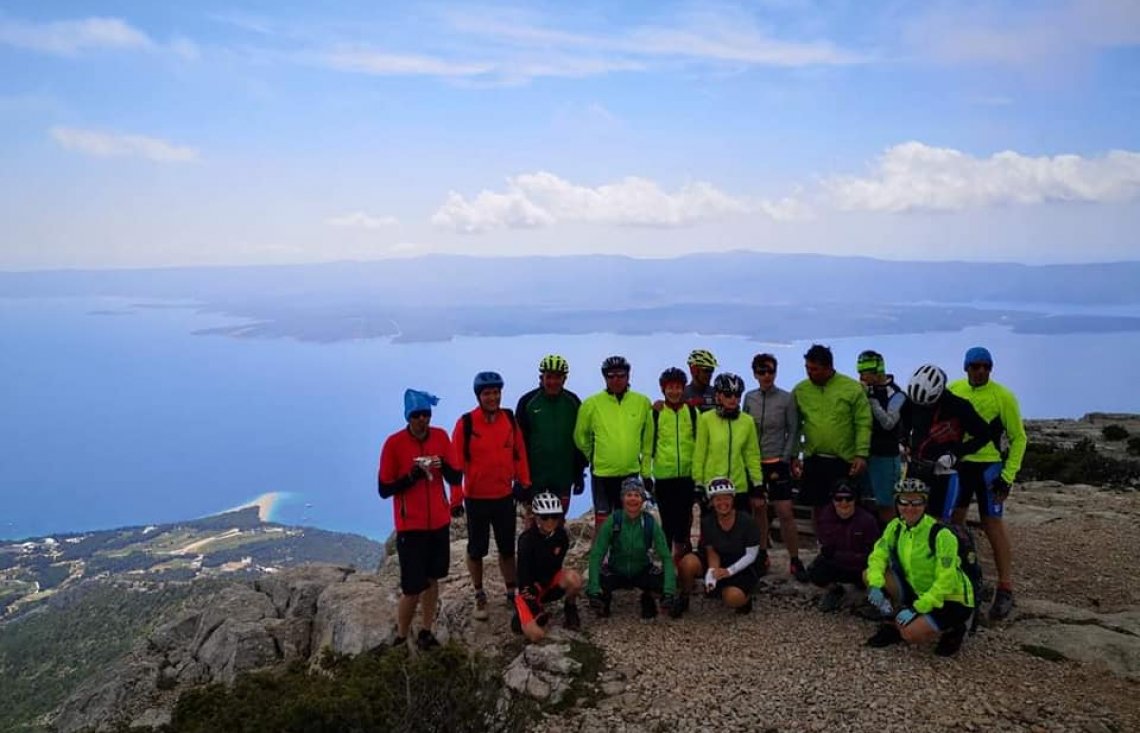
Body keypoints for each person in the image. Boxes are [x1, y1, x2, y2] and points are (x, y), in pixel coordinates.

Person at [377, 388, 464, 651]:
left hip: (438, 522)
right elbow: (384, 489)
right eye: (416, 415)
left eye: (426, 414)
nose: (422, 420)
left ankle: (426, 630)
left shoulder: (440, 436)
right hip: (410, 526)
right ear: (408, 417)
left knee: (433, 580)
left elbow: (455, 477)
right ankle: (402, 637)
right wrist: (411, 477)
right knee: (412, 587)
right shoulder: (394, 444)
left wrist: (443, 466)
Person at [948, 346, 1028, 621]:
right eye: (975, 366)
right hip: (960, 466)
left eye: (986, 366)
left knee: (992, 524)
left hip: (990, 467)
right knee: (953, 523)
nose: (981, 371)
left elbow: (1019, 438)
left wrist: (1008, 477)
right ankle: (962, 579)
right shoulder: (955, 389)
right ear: (966, 368)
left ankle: (1005, 587)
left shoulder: (1002, 396)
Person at [863, 477, 976, 657]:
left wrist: (917, 608)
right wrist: (876, 584)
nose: (910, 507)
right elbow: (878, 555)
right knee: (869, 574)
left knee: (910, 634)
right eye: (904, 501)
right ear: (897, 503)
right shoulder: (895, 527)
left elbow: (946, 580)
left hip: (951, 598)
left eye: (917, 502)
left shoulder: (941, 534)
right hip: (920, 590)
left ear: (925, 504)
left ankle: (955, 628)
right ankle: (892, 620)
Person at [451, 371, 531, 622]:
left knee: (508, 548)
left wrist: (525, 482)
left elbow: (519, 453)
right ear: (479, 396)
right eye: (487, 393)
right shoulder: (466, 424)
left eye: (496, 392)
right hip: (476, 498)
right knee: (477, 550)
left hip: (504, 495)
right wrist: (455, 500)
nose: (493, 397)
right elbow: (456, 466)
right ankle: (479, 593)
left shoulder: (509, 419)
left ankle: (511, 592)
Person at [791, 344, 872, 529]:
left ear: (828, 368)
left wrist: (861, 454)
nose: (810, 373)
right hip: (814, 458)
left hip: (844, 460)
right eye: (807, 368)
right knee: (817, 507)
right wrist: (795, 455)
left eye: (815, 369)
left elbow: (863, 423)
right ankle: (822, 545)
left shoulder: (852, 388)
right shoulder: (801, 390)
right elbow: (795, 426)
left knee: (846, 506)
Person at [899, 364, 992, 523]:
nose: (923, 408)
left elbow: (984, 435)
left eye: (928, 404)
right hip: (916, 466)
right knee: (909, 515)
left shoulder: (959, 406)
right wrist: (903, 442)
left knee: (938, 520)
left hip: (945, 471)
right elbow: (903, 425)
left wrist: (955, 454)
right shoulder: (912, 403)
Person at [742, 352, 804, 581]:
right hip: (754, 463)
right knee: (758, 510)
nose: (767, 375)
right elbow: (744, 428)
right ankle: (762, 554)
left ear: (776, 372)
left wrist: (787, 457)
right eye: (762, 371)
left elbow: (793, 429)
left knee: (785, 512)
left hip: (778, 460)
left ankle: (795, 559)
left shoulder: (786, 399)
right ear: (755, 374)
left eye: (770, 371)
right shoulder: (749, 398)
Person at [574, 356, 653, 531]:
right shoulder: (592, 404)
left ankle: (624, 557)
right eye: (611, 376)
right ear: (605, 378)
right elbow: (580, 436)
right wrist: (593, 455)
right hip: (602, 473)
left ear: (628, 376)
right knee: (603, 523)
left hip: (630, 472)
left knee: (628, 522)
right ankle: (600, 558)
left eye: (620, 375)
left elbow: (648, 441)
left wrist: (646, 473)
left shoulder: (642, 402)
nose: (616, 380)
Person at [586, 477, 677, 619]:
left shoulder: (649, 522)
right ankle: (603, 600)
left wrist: (669, 591)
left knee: (662, 580)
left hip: (641, 569)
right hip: (616, 569)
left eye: (637, 495)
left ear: (642, 499)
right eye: (629, 495)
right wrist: (593, 589)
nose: (633, 499)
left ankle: (648, 598)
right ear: (622, 498)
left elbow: (665, 556)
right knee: (599, 578)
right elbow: (597, 554)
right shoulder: (613, 520)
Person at [677, 477, 763, 615]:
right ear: (712, 502)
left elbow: (751, 555)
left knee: (733, 598)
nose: (722, 503)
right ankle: (684, 596)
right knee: (687, 563)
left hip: (740, 565)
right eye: (717, 499)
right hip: (717, 560)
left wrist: (729, 571)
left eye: (726, 498)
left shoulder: (747, 521)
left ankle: (742, 598)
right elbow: (711, 550)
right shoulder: (707, 522)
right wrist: (712, 573)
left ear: (733, 499)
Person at [516, 354, 588, 516]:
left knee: (558, 521)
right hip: (534, 478)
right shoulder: (528, 402)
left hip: (563, 476)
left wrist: (579, 474)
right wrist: (520, 478)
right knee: (533, 522)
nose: (553, 382)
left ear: (564, 379)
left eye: (558, 377)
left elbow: (580, 440)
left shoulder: (573, 402)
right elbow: (518, 443)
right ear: (541, 378)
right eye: (549, 377)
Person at [641, 367, 699, 561]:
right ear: (662, 389)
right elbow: (648, 447)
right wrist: (646, 475)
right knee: (667, 522)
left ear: (683, 388)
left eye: (678, 387)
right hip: (664, 477)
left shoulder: (692, 412)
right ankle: (666, 566)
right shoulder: (655, 414)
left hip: (687, 476)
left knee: (684, 523)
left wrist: (699, 475)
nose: (674, 392)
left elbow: (698, 445)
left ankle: (680, 563)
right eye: (670, 388)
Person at [511, 491, 583, 642]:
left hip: (548, 582)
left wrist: (543, 585)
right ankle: (523, 614)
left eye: (554, 516)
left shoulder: (561, 537)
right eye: (545, 517)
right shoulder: (526, 540)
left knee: (575, 579)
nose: (550, 521)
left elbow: (556, 566)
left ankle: (570, 607)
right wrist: (531, 598)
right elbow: (523, 574)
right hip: (528, 588)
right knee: (537, 636)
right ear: (536, 517)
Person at [692, 372, 763, 519]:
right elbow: (700, 453)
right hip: (713, 486)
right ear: (718, 395)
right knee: (713, 537)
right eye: (728, 395)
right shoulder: (706, 419)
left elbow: (752, 455)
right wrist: (698, 483)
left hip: (739, 487)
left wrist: (757, 483)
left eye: (737, 395)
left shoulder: (747, 421)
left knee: (741, 535)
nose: (733, 399)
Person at [809, 481, 879, 612]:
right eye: (838, 498)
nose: (844, 503)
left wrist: (838, 555)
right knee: (815, 571)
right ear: (833, 500)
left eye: (848, 498)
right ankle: (835, 591)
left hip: (861, 566)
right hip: (842, 563)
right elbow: (826, 550)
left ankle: (873, 601)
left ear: (855, 500)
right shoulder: (825, 517)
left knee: (875, 573)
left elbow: (873, 554)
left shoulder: (868, 520)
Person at [856, 350, 907, 525]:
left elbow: (888, 422)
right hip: (864, 453)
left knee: (886, 504)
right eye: (860, 373)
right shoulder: (863, 390)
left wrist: (870, 400)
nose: (862, 377)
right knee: (864, 501)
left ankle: (892, 541)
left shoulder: (896, 394)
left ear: (878, 372)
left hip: (886, 456)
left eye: (865, 373)